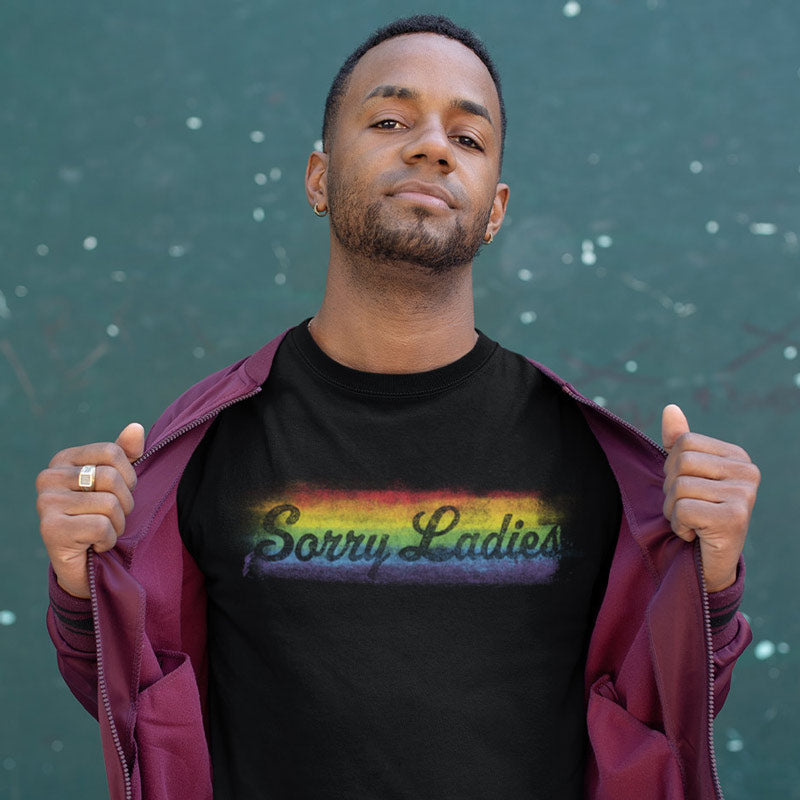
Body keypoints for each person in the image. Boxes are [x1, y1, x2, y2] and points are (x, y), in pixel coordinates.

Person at [36, 15, 760, 800]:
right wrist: (82, 587)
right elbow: (129, 704)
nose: (433, 146)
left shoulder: (597, 463)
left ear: (495, 209)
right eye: (390, 120)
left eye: (469, 138)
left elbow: (672, 712)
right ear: (318, 178)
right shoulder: (203, 449)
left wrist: (709, 580)